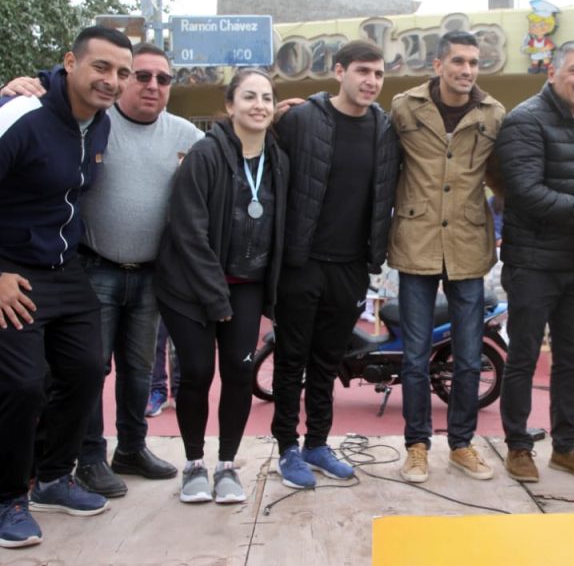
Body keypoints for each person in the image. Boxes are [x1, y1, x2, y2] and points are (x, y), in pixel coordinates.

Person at [0, 25, 133, 548]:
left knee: (88, 369)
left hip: (63, 272)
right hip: (3, 272)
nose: (112, 81)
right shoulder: (16, 114)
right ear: (71, 62)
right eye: (101, 67)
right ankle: (6, 500)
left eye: (121, 72)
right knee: (20, 387)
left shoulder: (100, 124)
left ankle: (52, 478)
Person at [0, 42, 203, 497]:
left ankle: (131, 448)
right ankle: (89, 457)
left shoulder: (188, 135)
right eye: (141, 76)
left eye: (162, 79)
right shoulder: (93, 124)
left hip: (152, 274)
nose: (152, 86)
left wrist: (291, 115)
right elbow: (41, 111)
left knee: (139, 369)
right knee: (87, 369)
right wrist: (8, 89)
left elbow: (233, 155)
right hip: (94, 268)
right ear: (126, 81)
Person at [155, 68, 289, 504]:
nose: (259, 106)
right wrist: (215, 297)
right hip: (189, 286)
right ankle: (194, 463)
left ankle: (227, 464)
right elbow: (188, 232)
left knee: (239, 371)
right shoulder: (204, 155)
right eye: (249, 97)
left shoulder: (279, 160)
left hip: (245, 286)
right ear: (229, 105)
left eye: (267, 98)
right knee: (196, 373)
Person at [270, 41, 399, 489]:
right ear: (339, 71)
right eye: (363, 71)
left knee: (328, 362)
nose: (371, 81)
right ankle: (287, 447)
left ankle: (317, 444)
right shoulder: (301, 119)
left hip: (351, 266)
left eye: (379, 74)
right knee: (291, 361)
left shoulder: (386, 128)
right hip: (301, 263)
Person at [495, 40, 574, 483]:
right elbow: (525, 192)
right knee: (523, 357)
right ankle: (518, 446)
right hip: (531, 263)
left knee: (572, 359)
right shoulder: (524, 120)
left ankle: (566, 446)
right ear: (553, 72)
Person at [389, 31, 506, 483]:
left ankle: (462, 445)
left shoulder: (493, 114)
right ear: (438, 65)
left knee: (470, 355)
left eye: (474, 62)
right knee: (415, 356)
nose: (467, 70)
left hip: (468, 245)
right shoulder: (404, 107)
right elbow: (384, 167)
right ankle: (416, 447)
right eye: (458, 61)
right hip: (416, 242)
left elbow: (503, 181)